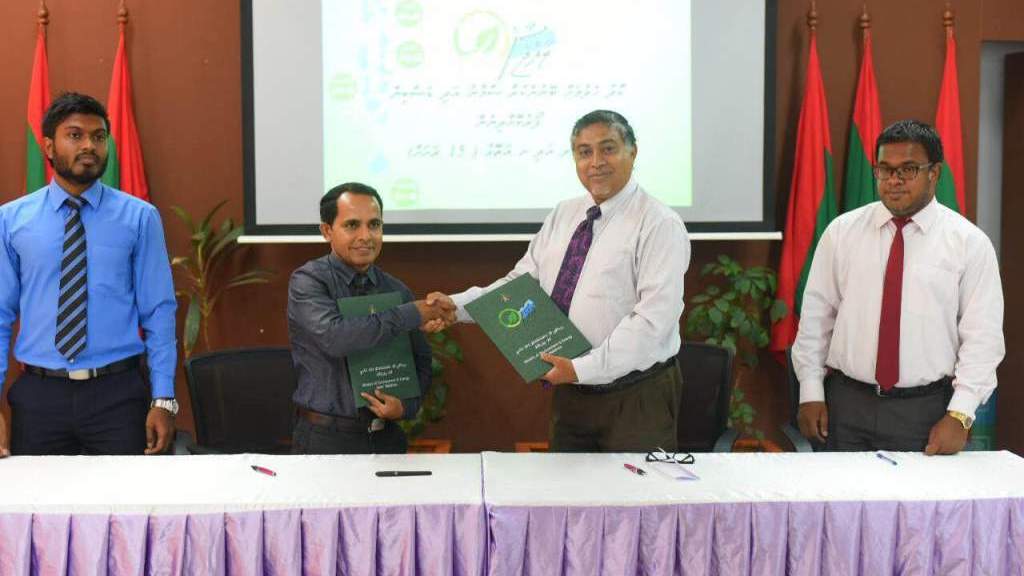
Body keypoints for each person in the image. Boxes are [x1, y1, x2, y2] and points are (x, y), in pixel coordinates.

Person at [429, 110, 691, 452]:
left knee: (632, 487)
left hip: (636, 395)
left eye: (608, 148)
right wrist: (459, 306)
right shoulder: (564, 214)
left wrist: (582, 368)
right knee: (567, 485)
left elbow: (651, 321)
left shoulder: (659, 224)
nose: (596, 162)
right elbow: (521, 285)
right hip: (572, 393)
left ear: (633, 151)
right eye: (584, 152)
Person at [792, 119, 1004, 455]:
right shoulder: (842, 233)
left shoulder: (968, 244)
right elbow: (816, 318)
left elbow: (983, 339)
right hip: (845, 406)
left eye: (908, 169)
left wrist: (961, 414)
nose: (893, 180)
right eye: (884, 169)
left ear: (934, 173)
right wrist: (810, 391)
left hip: (925, 412)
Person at [0, 92, 178, 456]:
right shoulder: (11, 220)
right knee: (36, 494)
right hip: (39, 396)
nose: (89, 146)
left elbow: (159, 311)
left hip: (118, 395)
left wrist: (163, 399)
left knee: (126, 494)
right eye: (75, 135)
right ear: (49, 146)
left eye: (99, 137)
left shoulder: (139, 217)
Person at [287, 182, 455, 454]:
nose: (366, 236)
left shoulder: (395, 289)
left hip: (387, 438)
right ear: (327, 231)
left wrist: (406, 407)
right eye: (352, 225)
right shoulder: (308, 281)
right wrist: (411, 313)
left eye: (374, 225)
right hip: (325, 440)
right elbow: (336, 338)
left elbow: (421, 360)